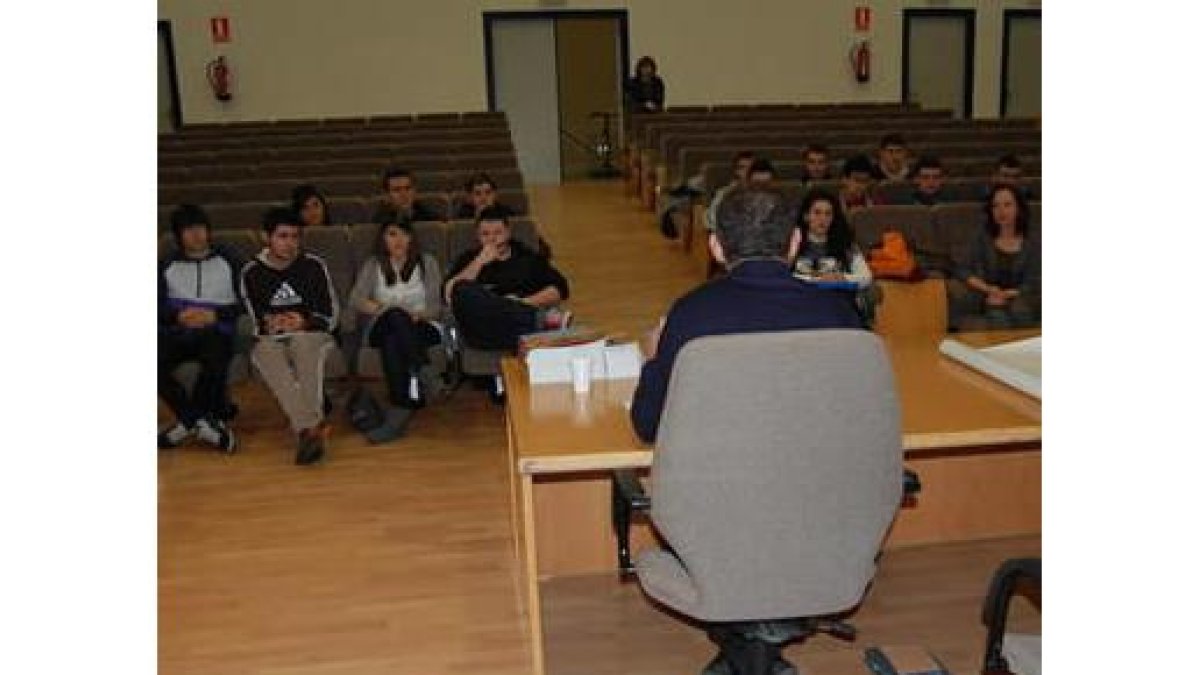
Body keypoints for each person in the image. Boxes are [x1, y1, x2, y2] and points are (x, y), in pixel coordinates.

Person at [630, 187, 865, 443]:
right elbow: (860, 413)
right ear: (795, 242)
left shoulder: (690, 315)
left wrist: (654, 360)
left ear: (716, 247)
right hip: (819, 472)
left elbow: (648, 424)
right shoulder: (838, 313)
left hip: (719, 477)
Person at [240, 207, 340, 465]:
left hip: (311, 333)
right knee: (264, 352)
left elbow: (331, 315)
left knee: (303, 343)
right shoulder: (251, 272)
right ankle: (311, 428)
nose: (290, 243)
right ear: (267, 238)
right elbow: (252, 320)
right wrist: (270, 324)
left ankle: (306, 430)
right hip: (272, 338)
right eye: (283, 236)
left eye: (295, 237)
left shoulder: (314, 265)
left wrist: (304, 322)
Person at [443, 207, 571, 397]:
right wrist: (479, 262)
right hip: (481, 330)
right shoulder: (469, 259)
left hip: (516, 328)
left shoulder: (527, 258)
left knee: (502, 397)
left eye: (498, 232)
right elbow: (449, 294)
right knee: (462, 289)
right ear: (478, 236)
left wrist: (523, 302)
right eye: (485, 234)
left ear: (508, 232)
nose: (492, 239)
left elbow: (560, 288)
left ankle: (507, 377)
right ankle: (542, 321)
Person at [346, 220, 445, 433]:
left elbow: (435, 307)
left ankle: (399, 409)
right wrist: (386, 310)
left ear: (411, 238)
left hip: (422, 326)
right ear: (383, 239)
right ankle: (424, 370)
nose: (398, 240)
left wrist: (415, 316)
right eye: (392, 234)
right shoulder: (373, 264)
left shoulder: (427, 263)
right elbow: (356, 299)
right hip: (380, 325)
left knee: (393, 340)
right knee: (394, 316)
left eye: (403, 234)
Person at [158, 204, 242, 452]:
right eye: (189, 230)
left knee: (214, 354)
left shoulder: (230, 259)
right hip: (178, 330)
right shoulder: (166, 265)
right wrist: (178, 316)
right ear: (178, 235)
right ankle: (199, 421)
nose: (196, 235)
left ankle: (186, 423)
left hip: (217, 328)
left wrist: (216, 314)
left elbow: (247, 301)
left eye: (200, 228)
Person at [955, 185, 1040, 330]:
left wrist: (1011, 294)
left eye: (1007, 205)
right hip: (989, 295)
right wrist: (988, 289)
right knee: (998, 315)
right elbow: (962, 270)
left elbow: (1037, 279)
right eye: (996, 206)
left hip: (1024, 295)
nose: (1001, 211)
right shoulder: (982, 237)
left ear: (1019, 208)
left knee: (1019, 310)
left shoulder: (1034, 240)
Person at [705, 151, 756, 232]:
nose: (748, 171)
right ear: (736, 171)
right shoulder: (723, 193)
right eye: (743, 168)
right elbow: (711, 220)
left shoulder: (768, 194)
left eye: (752, 168)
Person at [372, 167, 442, 224]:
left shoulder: (432, 219)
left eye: (408, 188)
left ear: (415, 191)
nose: (404, 194)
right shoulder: (379, 222)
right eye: (396, 190)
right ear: (387, 196)